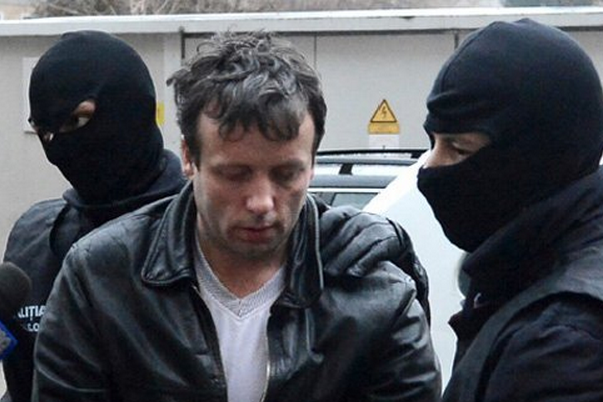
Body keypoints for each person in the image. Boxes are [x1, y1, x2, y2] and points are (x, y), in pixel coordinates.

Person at [32, 31, 441, 402]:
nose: (261, 202)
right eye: (235, 174)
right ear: (189, 158)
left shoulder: (377, 293)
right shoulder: (100, 279)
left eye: (286, 174)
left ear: (312, 163)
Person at [417, 18, 603, 401]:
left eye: (458, 148)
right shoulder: (520, 273)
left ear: (537, 160)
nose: (430, 167)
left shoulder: (561, 342)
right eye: (433, 142)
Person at [2, 31, 187, 402]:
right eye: (44, 132)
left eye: (76, 121)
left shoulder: (206, 232)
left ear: (132, 106)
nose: (59, 147)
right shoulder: (35, 241)